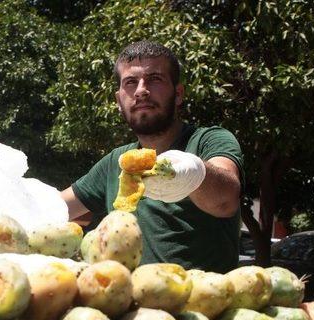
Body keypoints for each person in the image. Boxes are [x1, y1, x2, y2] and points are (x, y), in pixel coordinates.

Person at [61, 41, 243, 273]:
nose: (141, 90)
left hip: (201, 303)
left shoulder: (209, 140)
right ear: (119, 100)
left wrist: (189, 172)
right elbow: (55, 208)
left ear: (178, 94)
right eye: (130, 82)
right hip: (132, 305)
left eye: (155, 79)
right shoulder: (116, 161)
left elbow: (225, 200)